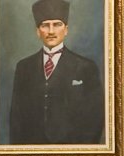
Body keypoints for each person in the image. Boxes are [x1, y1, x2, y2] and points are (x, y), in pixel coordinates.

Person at [8, 0, 104, 145]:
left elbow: (95, 118)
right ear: (37, 31)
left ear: (66, 29)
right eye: (45, 25)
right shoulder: (24, 68)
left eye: (57, 24)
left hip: (74, 154)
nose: (51, 31)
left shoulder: (86, 68)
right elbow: (16, 120)